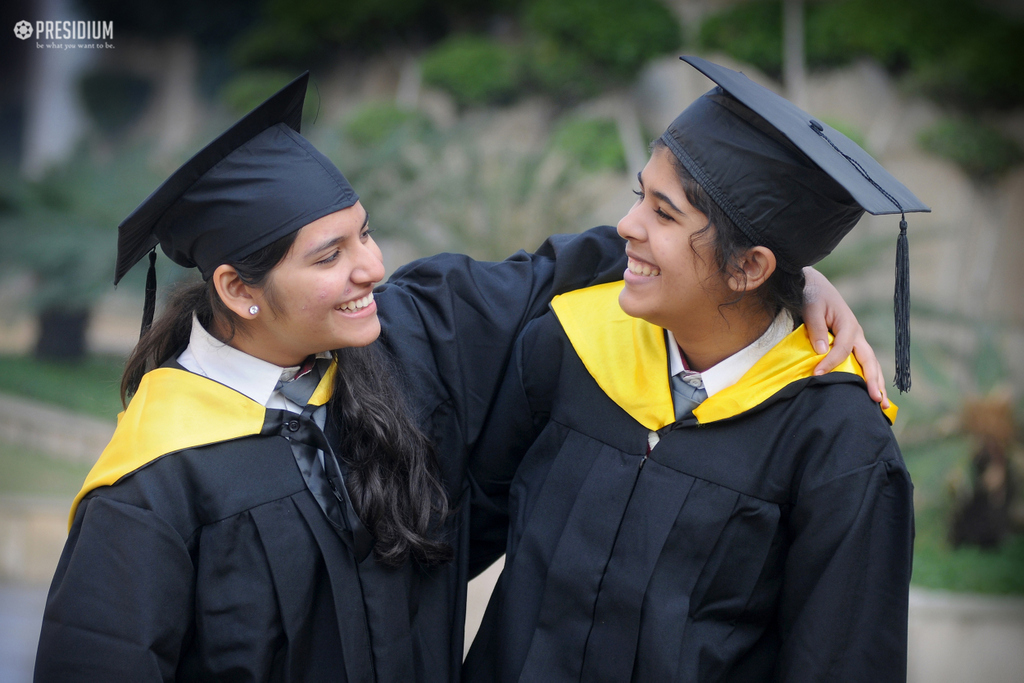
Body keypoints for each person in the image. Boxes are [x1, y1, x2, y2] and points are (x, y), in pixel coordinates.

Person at [34, 71, 884, 682]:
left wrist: (790, 274)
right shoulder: (151, 482)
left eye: (365, 233)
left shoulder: (408, 342)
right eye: (330, 254)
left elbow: (569, 269)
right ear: (237, 289)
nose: (373, 267)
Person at [464, 56, 923, 682]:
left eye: (664, 212)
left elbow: (842, 663)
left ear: (750, 268)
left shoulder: (836, 446)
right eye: (638, 196)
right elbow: (443, 539)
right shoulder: (570, 349)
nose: (625, 226)